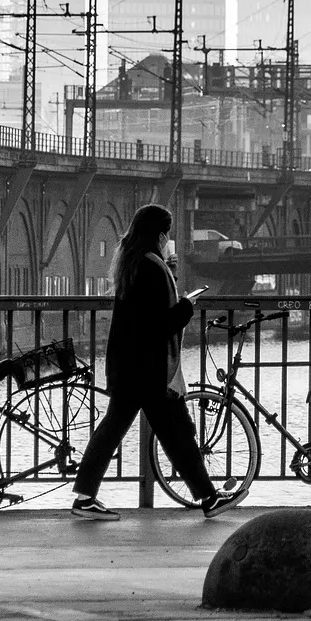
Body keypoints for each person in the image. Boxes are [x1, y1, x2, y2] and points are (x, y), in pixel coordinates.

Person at [71, 203, 248, 520]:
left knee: (121, 431)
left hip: (132, 367)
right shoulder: (151, 267)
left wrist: (173, 272)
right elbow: (159, 323)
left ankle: (85, 497)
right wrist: (186, 307)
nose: (168, 238)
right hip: (149, 370)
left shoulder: (136, 262)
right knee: (177, 434)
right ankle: (208, 498)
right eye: (166, 233)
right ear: (160, 234)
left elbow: (148, 310)